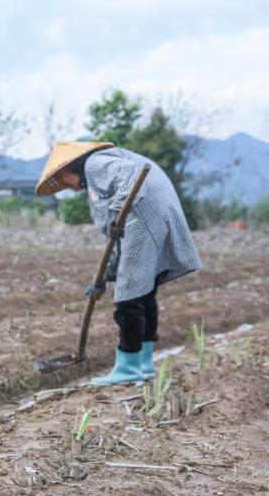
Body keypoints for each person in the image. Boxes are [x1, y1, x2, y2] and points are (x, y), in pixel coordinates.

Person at [36, 142, 201, 385]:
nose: (66, 185)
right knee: (144, 293)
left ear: (70, 167)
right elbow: (114, 237)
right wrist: (102, 278)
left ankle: (128, 367)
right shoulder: (96, 182)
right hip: (155, 214)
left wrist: (116, 212)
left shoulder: (94, 163)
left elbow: (128, 175)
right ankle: (143, 364)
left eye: (62, 178)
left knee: (127, 298)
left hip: (144, 218)